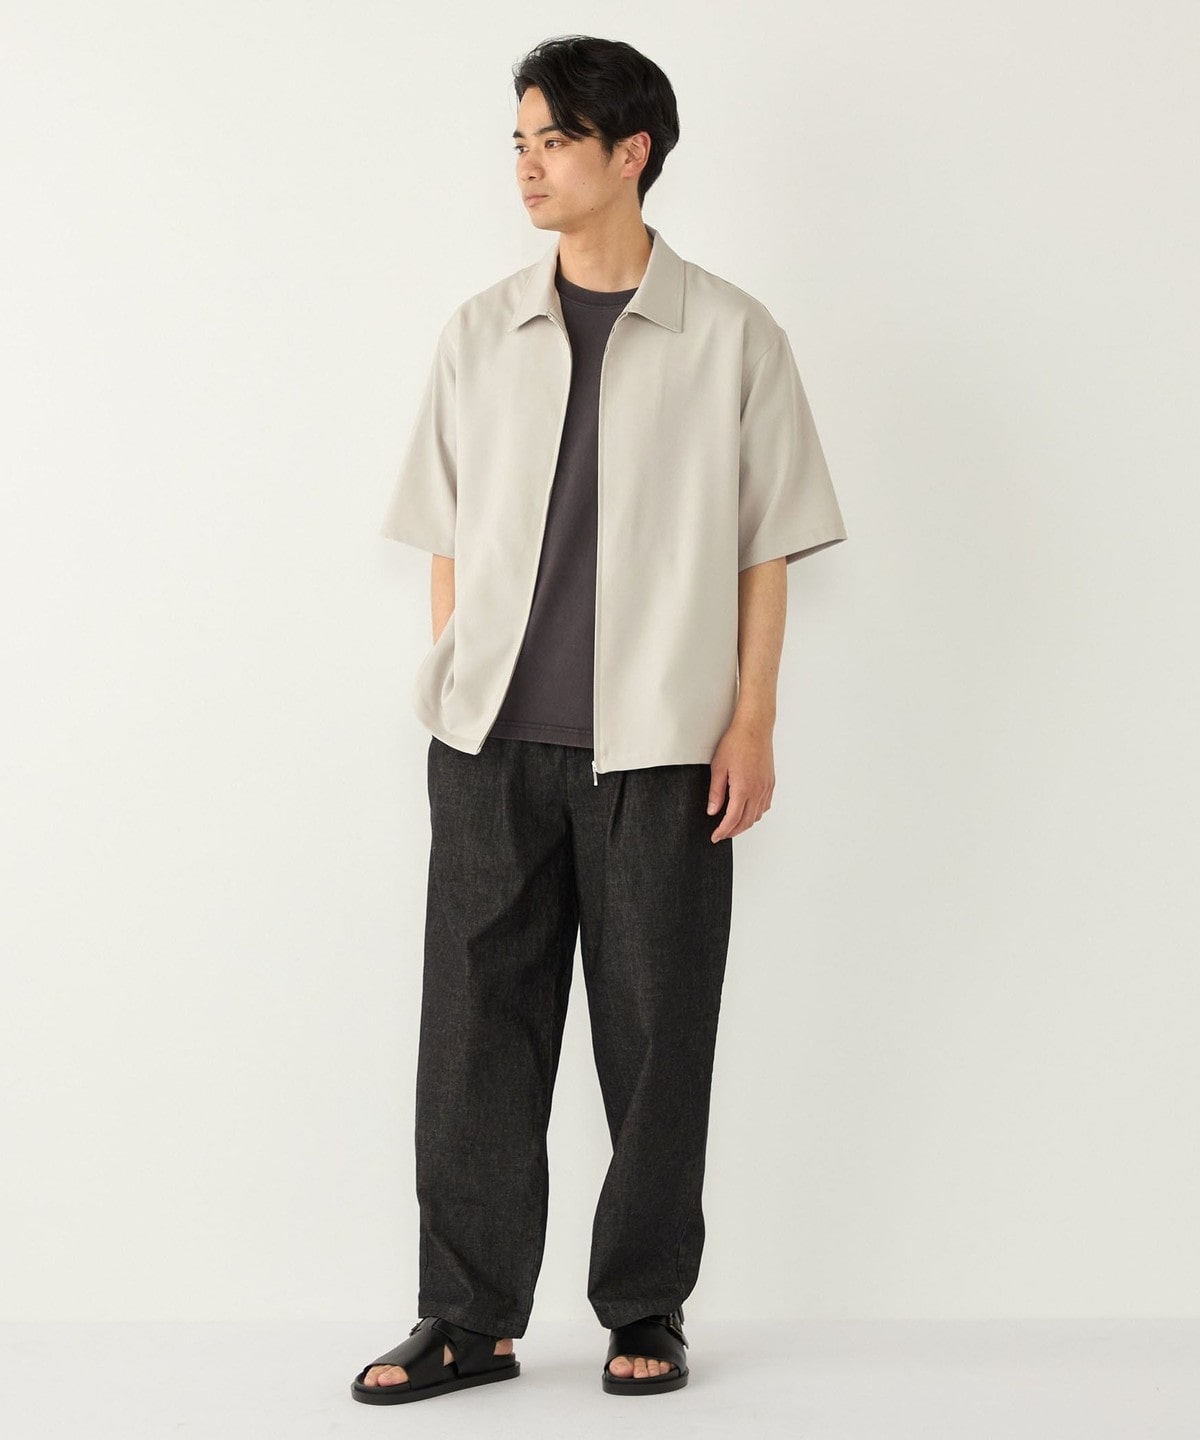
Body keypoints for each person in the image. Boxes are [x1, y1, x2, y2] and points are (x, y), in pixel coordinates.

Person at [352, 34, 847, 1406]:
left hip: (663, 749)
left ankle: (646, 1305)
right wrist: (459, 679)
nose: (526, 166)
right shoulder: (478, 333)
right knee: (474, 1033)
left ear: (632, 154)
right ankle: (468, 1319)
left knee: (657, 1036)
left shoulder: (734, 335)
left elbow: (765, 547)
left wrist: (752, 724)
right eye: (518, 141)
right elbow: (447, 532)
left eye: (554, 141)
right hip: (492, 746)